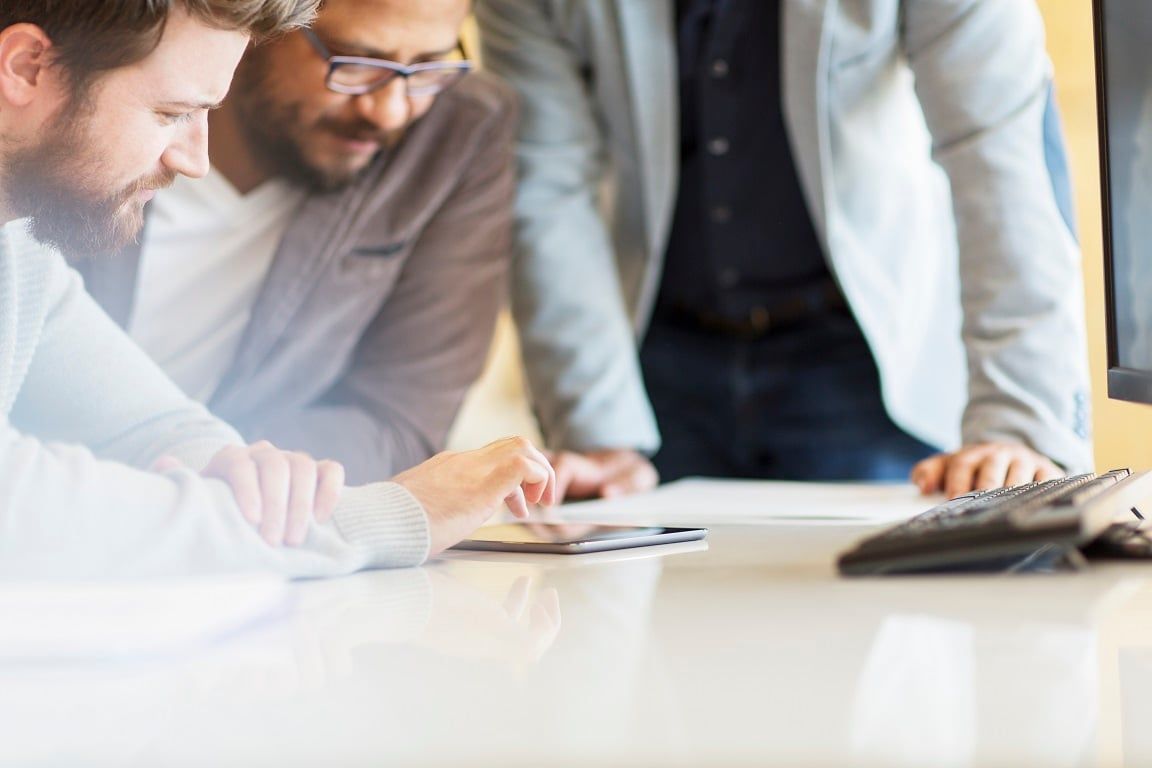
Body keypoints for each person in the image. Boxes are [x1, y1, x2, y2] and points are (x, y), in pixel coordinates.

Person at [0, 0, 555, 579]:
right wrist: (379, 519)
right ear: (27, 67)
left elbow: (147, 424)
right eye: (171, 114)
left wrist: (248, 475)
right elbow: (19, 508)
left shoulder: (20, 242)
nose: (195, 160)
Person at [477, 0, 1094, 499]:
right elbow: (545, 186)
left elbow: (1000, 154)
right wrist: (595, 428)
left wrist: (1018, 425)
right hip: (650, 370)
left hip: (859, 367)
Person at [78, 0, 517, 486]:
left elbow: (398, 421)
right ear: (258, 19)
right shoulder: (101, 86)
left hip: (240, 529)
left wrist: (205, 478)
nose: (390, 111)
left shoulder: (458, 134)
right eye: (353, 60)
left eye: (428, 67)